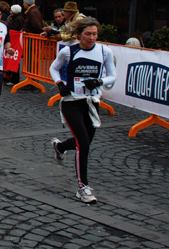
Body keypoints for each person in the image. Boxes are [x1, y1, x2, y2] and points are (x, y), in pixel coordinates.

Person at [49, 17, 116, 204]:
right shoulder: (69, 52)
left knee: (84, 141)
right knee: (84, 143)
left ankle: (60, 146)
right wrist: (60, 84)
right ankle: (83, 187)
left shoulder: (104, 51)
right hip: (71, 101)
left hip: (92, 102)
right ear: (79, 35)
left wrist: (99, 81)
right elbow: (53, 68)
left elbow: (113, 76)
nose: (92, 38)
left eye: (95, 34)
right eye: (88, 34)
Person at [5, 4, 24, 86]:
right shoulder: (15, 17)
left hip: (15, 40)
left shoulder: (18, 19)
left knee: (15, 59)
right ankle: (10, 76)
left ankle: (14, 79)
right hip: (13, 40)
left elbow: (15, 28)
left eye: (12, 10)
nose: (10, 11)